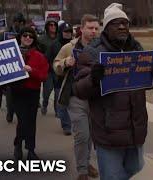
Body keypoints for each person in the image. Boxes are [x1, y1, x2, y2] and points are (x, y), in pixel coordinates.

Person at [72, 3, 153, 180]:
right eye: (116, 23)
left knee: (135, 166)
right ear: (106, 28)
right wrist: (93, 79)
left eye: (125, 23)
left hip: (135, 128)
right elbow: (79, 89)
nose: (122, 26)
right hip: (108, 132)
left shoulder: (137, 49)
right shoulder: (92, 52)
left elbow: (141, 84)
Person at [53, 14, 100, 180]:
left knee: (91, 136)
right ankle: (82, 172)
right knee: (82, 135)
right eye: (90, 28)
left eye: (96, 28)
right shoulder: (69, 47)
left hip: (96, 99)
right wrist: (66, 63)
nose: (94, 31)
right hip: (76, 97)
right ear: (81, 29)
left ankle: (86, 163)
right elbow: (56, 65)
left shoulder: (103, 47)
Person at [12, 27, 48, 160]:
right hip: (16, 91)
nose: (28, 38)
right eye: (25, 35)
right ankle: (18, 145)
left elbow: (44, 76)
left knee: (31, 121)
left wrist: (31, 70)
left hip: (32, 91)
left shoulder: (39, 56)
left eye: (31, 36)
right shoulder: (11, 53)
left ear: (34, 39)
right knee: (22, 120)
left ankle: (31, 150)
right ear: (20, 37)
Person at [38, 17, 61, 116]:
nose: (53, 27)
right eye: (50, 25)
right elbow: (39, 54)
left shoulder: (60, 38)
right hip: (47, 69)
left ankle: (57, 110)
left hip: (59, 69)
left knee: (58, 92)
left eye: (54, 25)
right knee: (47, 90)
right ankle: (45, 103)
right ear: (47, 27)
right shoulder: (41, 39)